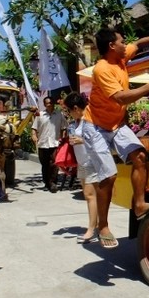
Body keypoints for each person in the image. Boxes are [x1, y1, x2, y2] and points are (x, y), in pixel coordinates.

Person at [82, 27, 149, 249]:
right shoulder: (102, 69)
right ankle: (103, 226)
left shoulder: (121, 56)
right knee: (108, 176)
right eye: (121, 41)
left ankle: (139, 204)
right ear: (112, 46)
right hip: (95, 126)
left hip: (117, 124)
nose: (125, 44)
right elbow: (120, 98)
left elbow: (139, 43)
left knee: (139, 155)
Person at [63, 92, 99, 244]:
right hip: (82, 162)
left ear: (76, 108)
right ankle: (96, 227)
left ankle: (92, 230)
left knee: (90, 195)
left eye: (69, 110)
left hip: (92, 161)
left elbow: (99, 140)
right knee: (88, 195)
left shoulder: (90, 120)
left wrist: (82, 140)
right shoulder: (75, 122)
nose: (68, 113)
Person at [32, 96, 67, 193]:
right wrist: (34, 136)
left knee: (54, 163)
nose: (49, 104)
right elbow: (34, 128)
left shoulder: (59, 115)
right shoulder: (40, 115)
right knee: (45, 164)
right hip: (43, 143)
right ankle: (47, 181)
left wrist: (63, 138)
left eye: (51, 103)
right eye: (47, 103)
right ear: (44, 105)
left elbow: (64, 127)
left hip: (55, 143)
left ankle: (53, 183)